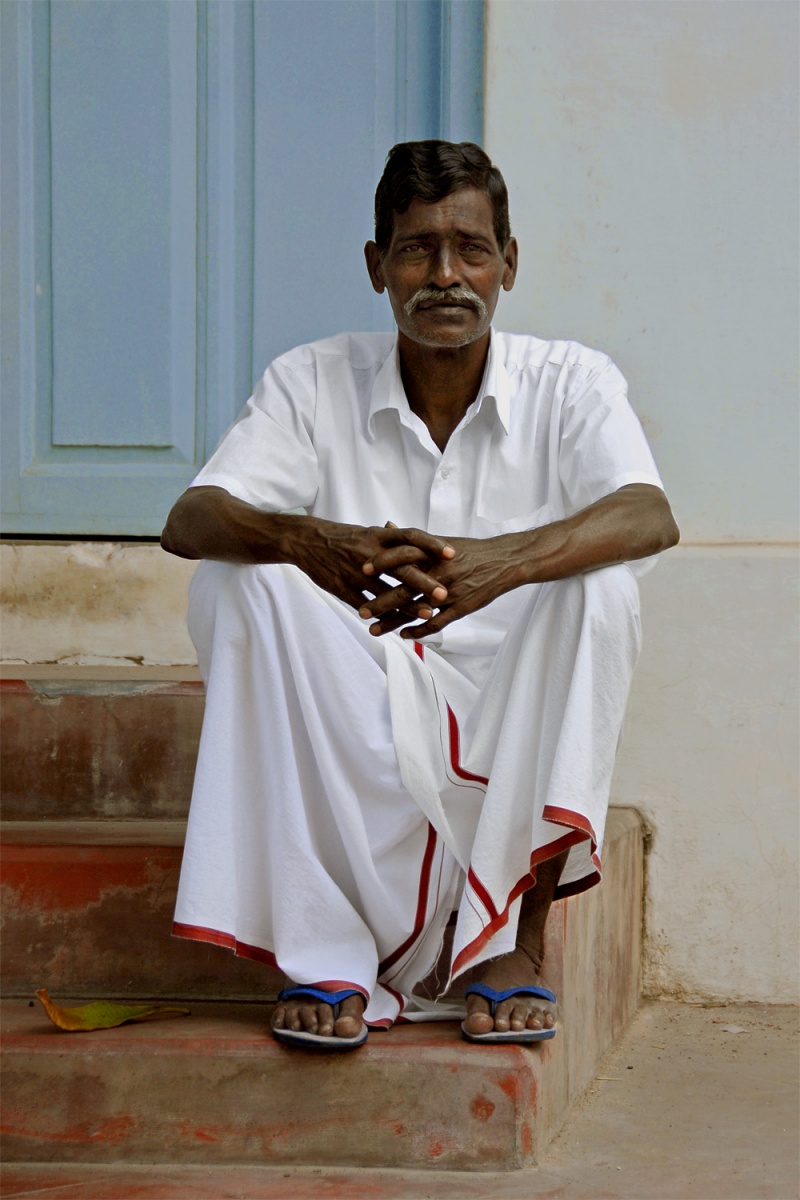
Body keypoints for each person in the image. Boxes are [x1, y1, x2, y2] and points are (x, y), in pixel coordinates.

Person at [161, 140, 679, 1050]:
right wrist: (307, 540)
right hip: (360, 694)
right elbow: (192, 516)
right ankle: (325, 949)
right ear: (377, 267)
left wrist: (501, 564)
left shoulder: (574, 382)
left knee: (601, 591)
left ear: (508, 263)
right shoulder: (310, 378)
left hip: (512, 699)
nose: (446, 275)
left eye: (471, 249)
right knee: (236, 585)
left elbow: (647, 514)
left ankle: (507, 944)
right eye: (415, 249)